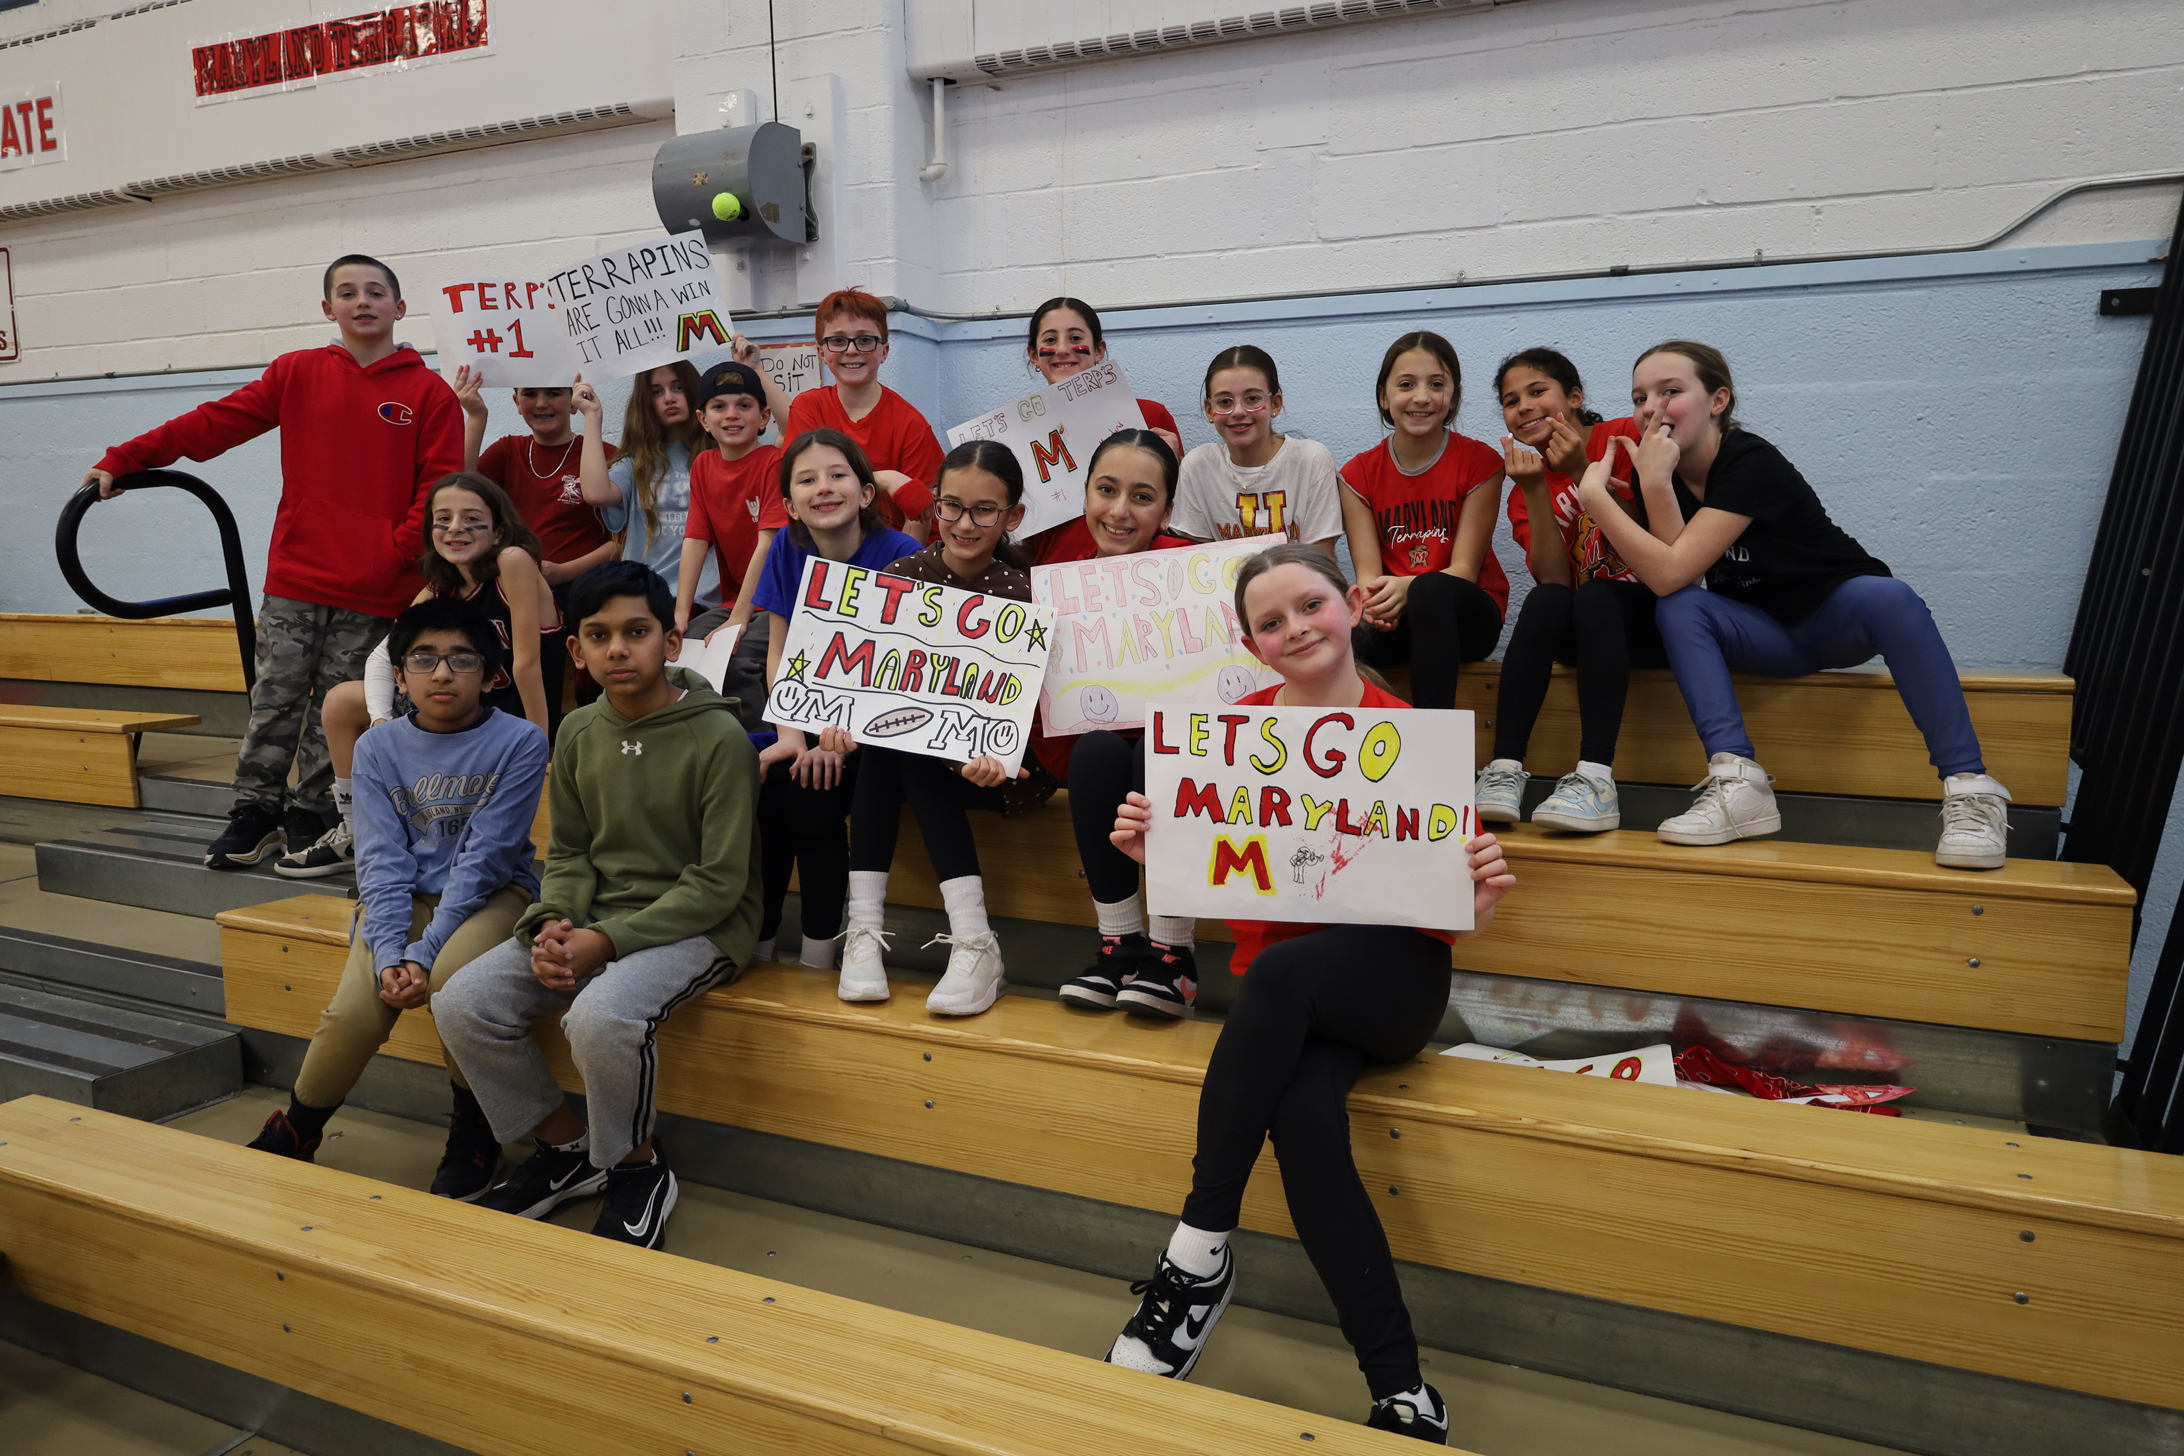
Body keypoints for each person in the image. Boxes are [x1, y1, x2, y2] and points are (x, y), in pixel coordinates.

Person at [1102, 542, 1514, 1443]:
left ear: (1352, 606)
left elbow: (1454, 915)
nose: (1296, 629)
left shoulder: (1408, 733)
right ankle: (1401, 1386)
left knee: (1284, 976)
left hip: (1394, 984)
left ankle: (1198, 1250)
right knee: (1306, 1124)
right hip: (1285, 1004)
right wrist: (1156, 854)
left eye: (1310, 607)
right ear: (1251, 644)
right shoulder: (1230, 738)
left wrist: (1476, 891)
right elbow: (1211, 882)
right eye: (1271, 621)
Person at [82, 254, 461, 870]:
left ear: (399, 306)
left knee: (337, 707)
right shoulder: (297, 372)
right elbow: (212, 424)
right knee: (276, 695)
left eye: (374, 292)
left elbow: (438, 492)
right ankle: (254, 812)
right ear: (327, 308)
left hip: (380, 585)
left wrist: (392, 554)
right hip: (298, 575)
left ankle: (310, 814)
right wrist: (125, 457)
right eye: (346, 292)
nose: (361, 302)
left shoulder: (429, 394)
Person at [1578, 341, 2012, 869]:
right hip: (1767, 633)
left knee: (1891, 596)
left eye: (1671, 391)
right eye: (1640, 396)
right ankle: (1739, 784)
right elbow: (1675, 576)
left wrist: (1597, 499)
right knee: (1678, 607)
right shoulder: (1660, 473)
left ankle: (1970, 788)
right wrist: (1653, 484)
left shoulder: (1749, 460)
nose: (1652, 408)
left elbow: (1669, 567)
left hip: (1835, 617)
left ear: (1718, 400)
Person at [433, 561, 762, 1249]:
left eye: (636, 631)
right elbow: (574, 853)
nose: (619, 648)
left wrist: (605, 942)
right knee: (462, 1001)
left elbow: (717, 884)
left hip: (700, 926)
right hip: (595, 917)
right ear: (576, 651)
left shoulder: (718, 738)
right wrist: (552, 921)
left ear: (670, 642)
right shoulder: (578, 732)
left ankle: (637, 1167)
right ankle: (564, 1152)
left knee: (601, 1015)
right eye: (600, 635)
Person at [244, 597, 547, 1199]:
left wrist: (425, 954)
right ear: (400, 674)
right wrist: (389, 956)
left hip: (494, 896)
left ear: (491, 675)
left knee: (454, 987)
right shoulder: (377, 748)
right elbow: (381, 861)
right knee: (355, 1009)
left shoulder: (520, 741)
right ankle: (299, 1128)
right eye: (424, 659)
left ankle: (475, 1128)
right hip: (401, 898)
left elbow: (485, 859)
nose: (442, 673)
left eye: (462, 659)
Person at [826, 440, 1055, 1015]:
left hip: (995, 767)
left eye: (985, 510)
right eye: (950, 506)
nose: (964, 523)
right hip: (913, 757)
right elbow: (873, 688)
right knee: (895, 743)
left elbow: (1026, 702)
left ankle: (963, 940)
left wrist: (1000, 753)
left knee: (903, 746)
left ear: (1013, 517)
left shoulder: (1024, 592)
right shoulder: (902, 575)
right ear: (933, 506)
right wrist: (839, 721)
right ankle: (888, 936)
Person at [274, 473, 555, 878]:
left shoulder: (512, 561)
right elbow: (381, 656)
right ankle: (356, 832)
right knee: (340, 701)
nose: (455, 528)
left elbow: (528, 664)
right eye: (443, 519)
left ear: (498, 531)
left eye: (471, 519)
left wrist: (540, 743)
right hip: (453, 710)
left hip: (508, 722)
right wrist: (380, 720)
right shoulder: (440, 586)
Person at [1047, 430, 1206, 1017]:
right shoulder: (1062, 581)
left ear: (1167, 508)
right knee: (1094, 753)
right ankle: (1120, 944)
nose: (1118, 511)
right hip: (1097, 752)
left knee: (1153, 751)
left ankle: (1174, 955)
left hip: (1186, 756)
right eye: (1105, 490)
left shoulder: (1196, 571)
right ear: (1083, 493)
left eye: (1142, 497)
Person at [750, 429, 922, 967]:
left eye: (837, 475)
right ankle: (757, 939)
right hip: (806, 719)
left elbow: (909, 672)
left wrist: (836, 739)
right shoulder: (787, 546)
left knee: (809, 787)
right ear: (790, 505)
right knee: (764, 776)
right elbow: (777, 652)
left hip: (884, 730)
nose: (823, 488)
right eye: (806, 480)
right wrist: (792, 735)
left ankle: (819, 952)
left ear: (866, 493)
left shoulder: (903, 554)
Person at [1475, 348, 1654, 834]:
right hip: (1591, 632)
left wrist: (1582, 471)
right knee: (1551, 599)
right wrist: (1534, 489)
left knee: (1595, 594)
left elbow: (1656, 541)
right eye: (1511, 402)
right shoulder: (1523, 487)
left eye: (1538, 392)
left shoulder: (1627, 437)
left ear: (1574, 397)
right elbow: (1554, 580)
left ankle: (1596, 777)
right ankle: (1505, 769)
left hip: (1653, 613)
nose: (1524, 407)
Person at [1337, 331, 1508, 712]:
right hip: (1396, 618)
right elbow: (1368, 575)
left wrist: (1408, 588)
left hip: (1468, 616)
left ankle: (1435, 744)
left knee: (1430, 591)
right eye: (1406, 384)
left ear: (1453, 396)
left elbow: (1464, 569)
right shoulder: (1357, 474)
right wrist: (1376, 606)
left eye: (1436, 384)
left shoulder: (1481, 463)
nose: (1421, 397)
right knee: (1332, 625)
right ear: (1384, 396)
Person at [458, 371, 621, 738]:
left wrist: (564, 571)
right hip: (510, 589)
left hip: (576, 585)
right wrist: (475, 418)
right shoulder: (507, 450)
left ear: (572, 400)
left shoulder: (600, 455)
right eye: (530, 393)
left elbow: (620, 541)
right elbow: (460, 490)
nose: (542, 403)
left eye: (554, 393)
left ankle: (549, 737)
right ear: (516, 403)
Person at [675, 360, 789, 729]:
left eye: (744, 405)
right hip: (736, 601)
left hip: (783, 601)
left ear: (764, 416)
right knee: (684, 653)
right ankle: (703, 746)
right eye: (719, 407)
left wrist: (739, 618)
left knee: (737, 660)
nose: (732, 415)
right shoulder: (703, 466)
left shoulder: (775, 463)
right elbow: (694, 540)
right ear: (703, 420)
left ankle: (759, 751)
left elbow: (768, 544)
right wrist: (680, 614)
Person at [781, 288, 943, 540]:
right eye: (837, 340)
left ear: (884, 351)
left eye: (865, 340)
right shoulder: (807, 408)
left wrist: (891, 576)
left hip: (891, 560)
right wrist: (887, 479)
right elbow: (806, 486)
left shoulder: (911, 425)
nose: (852, 350)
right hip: (822, 547)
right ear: (821, 352)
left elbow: (919, 518)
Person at [1171, 345, 1341, 552]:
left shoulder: (1311, 459)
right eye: (1225, 402)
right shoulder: (1197, 466)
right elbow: (1199, 565)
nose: (1239, 411)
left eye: (1252, 398)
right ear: (1209, 410)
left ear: (1275, 404)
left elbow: (1321, 560)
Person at [577, 360, 711, 609]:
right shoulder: (636, 462)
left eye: (678, 387)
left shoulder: (718, 455)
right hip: (645, 595)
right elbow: (596, 493)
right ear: (645, 402)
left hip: (705, 598)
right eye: (657, 392)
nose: (669, 398)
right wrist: (592, 416)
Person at [1024, 296, 1182, 454]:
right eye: (1050, 340)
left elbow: (1182, 478)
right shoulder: (1019, 433)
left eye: (1075, 338)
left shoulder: (1152, 416)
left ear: (1098, 351)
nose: (1063, 349)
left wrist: (1176, 466)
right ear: (1034, 356)